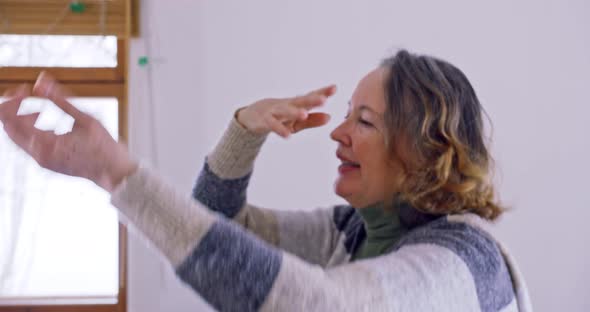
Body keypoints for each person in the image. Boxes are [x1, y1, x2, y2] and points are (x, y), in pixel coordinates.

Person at [0, 50, 532, 312]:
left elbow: (321, 306)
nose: (338, 133)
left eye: (363, 121)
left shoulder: (468, 261)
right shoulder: (353, 231)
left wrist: (113, 169)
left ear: (423, 151)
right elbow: (221, 226)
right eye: (345, 114)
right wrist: (243, 131)